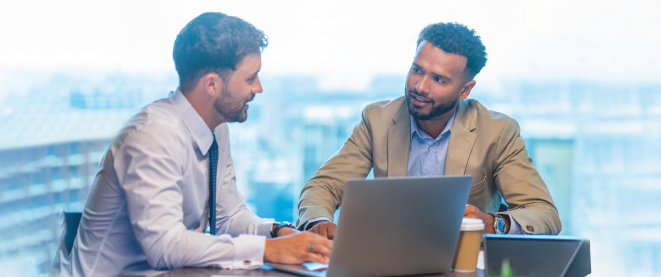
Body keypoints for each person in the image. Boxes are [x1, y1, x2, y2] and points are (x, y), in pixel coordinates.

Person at [55, 12, 332, 276]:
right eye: (250, 78)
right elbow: (164, 247)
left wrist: (279, 233)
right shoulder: (152, 136)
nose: (258, 88)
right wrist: (269, 250)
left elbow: (228, 218)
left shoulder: (216, 128)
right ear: (211, 84)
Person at [297, 22, 562, 238]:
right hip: (388, 256)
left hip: (461, 262)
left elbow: (544, 213)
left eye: (438, 79)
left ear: (465, 90)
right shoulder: (377, 119)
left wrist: (492, 223)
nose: (420, 87)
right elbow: (324, 185)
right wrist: (318, 222)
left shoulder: (498, 132)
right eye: (417, 70)